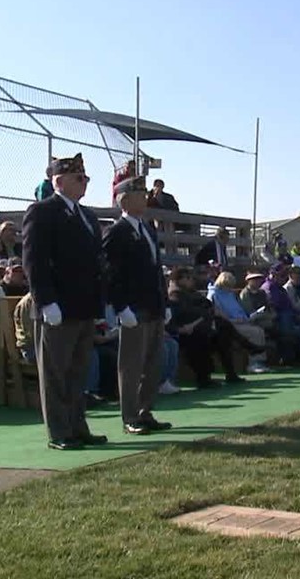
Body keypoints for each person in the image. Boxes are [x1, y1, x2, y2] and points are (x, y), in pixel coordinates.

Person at [21, 153, 108, 451]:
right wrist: (46, 301)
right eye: (78, 178)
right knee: (56, 372)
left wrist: (98, 307)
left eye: (85, 178)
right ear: (58, 181)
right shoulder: (42, 211)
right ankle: (59, 431)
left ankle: (77, 426)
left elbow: (95, 263)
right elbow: (34, 260)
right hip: (58, 305)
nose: (84, 183)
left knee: (77, 371)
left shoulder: (87, 215)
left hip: (83, 306)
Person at [103, 175, 173, 436]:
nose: (144, 199)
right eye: (138, 195)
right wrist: (121, 307)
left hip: (153, 305)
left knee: (153, 362)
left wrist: (164, 301)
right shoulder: (117, 232)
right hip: (133, 307)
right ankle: (130, 416)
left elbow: (155, 270)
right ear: (124, 200)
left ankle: (145, 411)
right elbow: (112, 273)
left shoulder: (147, 229)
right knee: (131, 365)